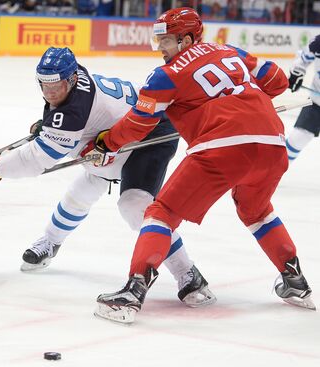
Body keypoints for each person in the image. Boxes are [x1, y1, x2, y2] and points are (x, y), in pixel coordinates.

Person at [89, 7, 315, 324]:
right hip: (274, 143)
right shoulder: (231, 51)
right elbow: (277, 81)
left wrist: (105, 143)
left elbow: (138, 125)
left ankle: (132, 291)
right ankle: (295, 281)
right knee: (256, 210)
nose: (161, 49)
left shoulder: (164, 76)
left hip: (222, 148)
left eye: (166, 41)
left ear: (188, 38)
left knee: (160, 213)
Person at [0, 46, 216, 307]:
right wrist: (52, 127)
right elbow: (76, 122)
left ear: (71, 79)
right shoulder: (73, 80)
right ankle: (51, 242)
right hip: (117, 130)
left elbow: (34, 160)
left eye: (55, 86)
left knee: (135, 206)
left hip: (151, 133)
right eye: (44, 85)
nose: (49, 93)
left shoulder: (73, 111)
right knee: (86, 186)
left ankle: (188, 274)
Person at [285, 34, 320, 161]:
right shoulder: (318, 42)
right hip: (317, 103)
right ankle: (268, 177)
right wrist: (297, 73)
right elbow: (303, 58)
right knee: (296, 139)